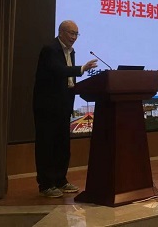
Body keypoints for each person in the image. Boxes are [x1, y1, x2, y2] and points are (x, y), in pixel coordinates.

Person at [32, 20, 98, 198]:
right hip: (47, 106)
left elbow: (67, 79)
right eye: (71, 33)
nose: (74, 37)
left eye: (76, 34)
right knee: (47, 145)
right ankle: (46, 184)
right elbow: (58, 70)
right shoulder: (50, 49)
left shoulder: (71, 51)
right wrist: (82, 69)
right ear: (61, 32)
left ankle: (60, 180)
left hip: (63, 104)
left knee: (62, 145)